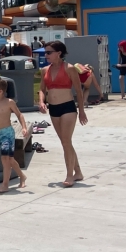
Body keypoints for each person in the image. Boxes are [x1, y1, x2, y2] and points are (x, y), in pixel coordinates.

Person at [38, 41, 88, 187]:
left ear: (58, 53)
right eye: (45, 53)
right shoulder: (44, 70)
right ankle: (78, 171)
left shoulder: (70, 68)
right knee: (66, 143)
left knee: (66, 142)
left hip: (67, 107)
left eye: (48, 52)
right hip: (53, 109)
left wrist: (82, 111)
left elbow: (79, 91)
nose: (45, 55)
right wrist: (41, 101)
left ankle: (69, 175)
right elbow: (42, 89)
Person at [0, 76, 28, 194]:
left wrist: (24, 127)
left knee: (4, 159)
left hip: (7, 133)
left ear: (0, 91)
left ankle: (5, 185)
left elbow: (19, 115)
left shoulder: (9, 102)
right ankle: (22, 176)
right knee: (9, 159)